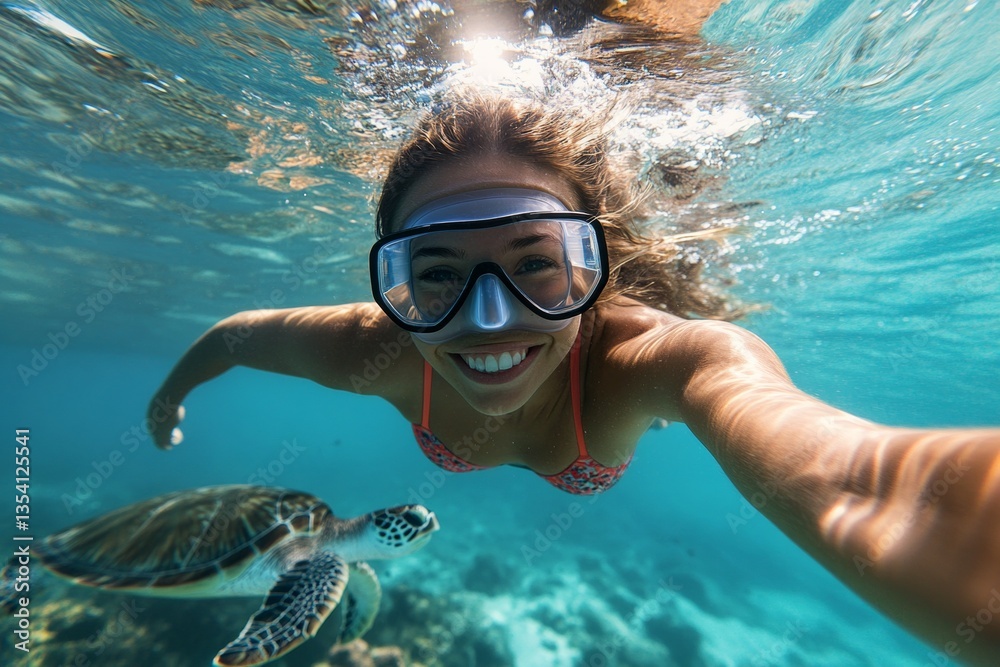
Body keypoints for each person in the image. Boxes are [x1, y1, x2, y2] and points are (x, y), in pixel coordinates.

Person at [148, 93, 1000, 663]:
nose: (489, 320)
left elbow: (852, 478)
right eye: (437, 273)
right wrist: (169, 392)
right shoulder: (375, 346)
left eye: (538, 264)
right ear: (394, 281)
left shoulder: (660, 360)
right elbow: (233, 337)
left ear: (597, 266)